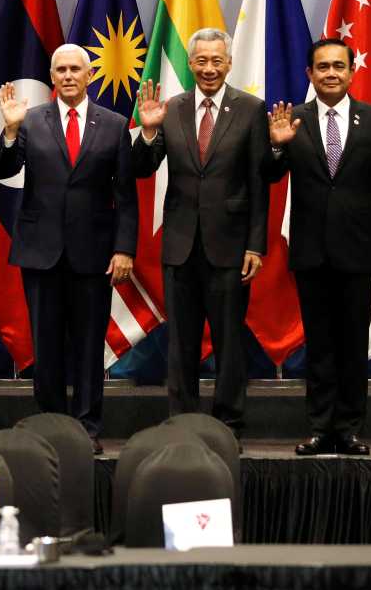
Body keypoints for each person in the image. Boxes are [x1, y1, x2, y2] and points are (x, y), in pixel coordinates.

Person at [0, 44, 138, 454]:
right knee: (47, 344)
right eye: (61, 70)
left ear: (89, 76)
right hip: (41, 253)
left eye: (76, 69)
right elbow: (3, 169)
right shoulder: (30, 120)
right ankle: (52, 427)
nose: (69, 75)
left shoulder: (113, 124)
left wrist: (124, 249)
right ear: (52, 77)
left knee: (90, 346)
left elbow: (125, 196)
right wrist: (9, 131)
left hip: (93, 254)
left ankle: (88, 429)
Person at [265, 38, 371, 456]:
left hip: (359, 252)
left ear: (352, 71)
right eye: (322, 67)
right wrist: (276, 145)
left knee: (353, 345)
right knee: (320, 346)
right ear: (310, 74)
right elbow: (269, 175)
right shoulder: (294, 120)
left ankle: (350, 429)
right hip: (311, 251)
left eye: (338, 66)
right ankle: (320, 428)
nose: (331, 74)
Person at [133, 27, 267, 434]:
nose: (209, 68)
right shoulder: (170, 109)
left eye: (217, 60)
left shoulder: (250, 109)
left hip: (230, 246)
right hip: (180, 246)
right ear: (190, 64)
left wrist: (255, 246)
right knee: (181, 345)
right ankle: (184, 425)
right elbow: (142, 166)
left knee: (229, 345)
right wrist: (149, 131)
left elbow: (260, 183)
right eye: (201, 61)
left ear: (229, 63)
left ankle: (229, 424)